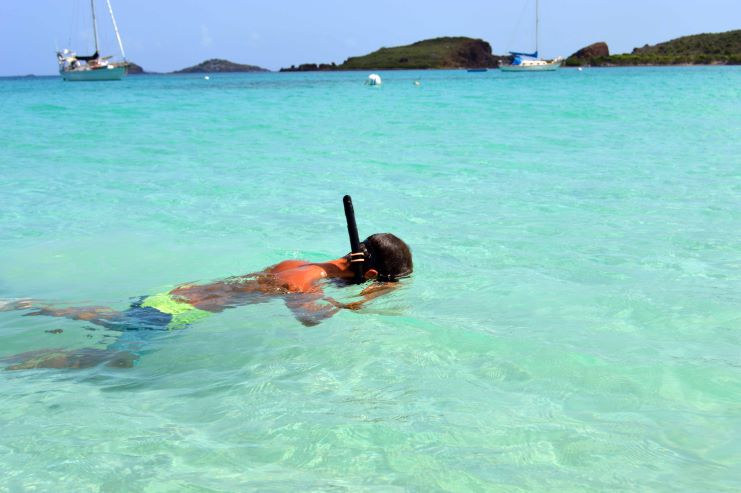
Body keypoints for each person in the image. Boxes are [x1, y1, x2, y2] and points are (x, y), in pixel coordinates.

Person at [1, 233, 412, 370]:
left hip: (170, 295)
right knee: (113, 361)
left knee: (113, 318)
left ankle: (22, 305)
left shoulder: (296, 262)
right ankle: (18, 364)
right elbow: (311, 320)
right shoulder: (306, 284)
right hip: (178, 313)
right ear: (372, 275)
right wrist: (366, 302)